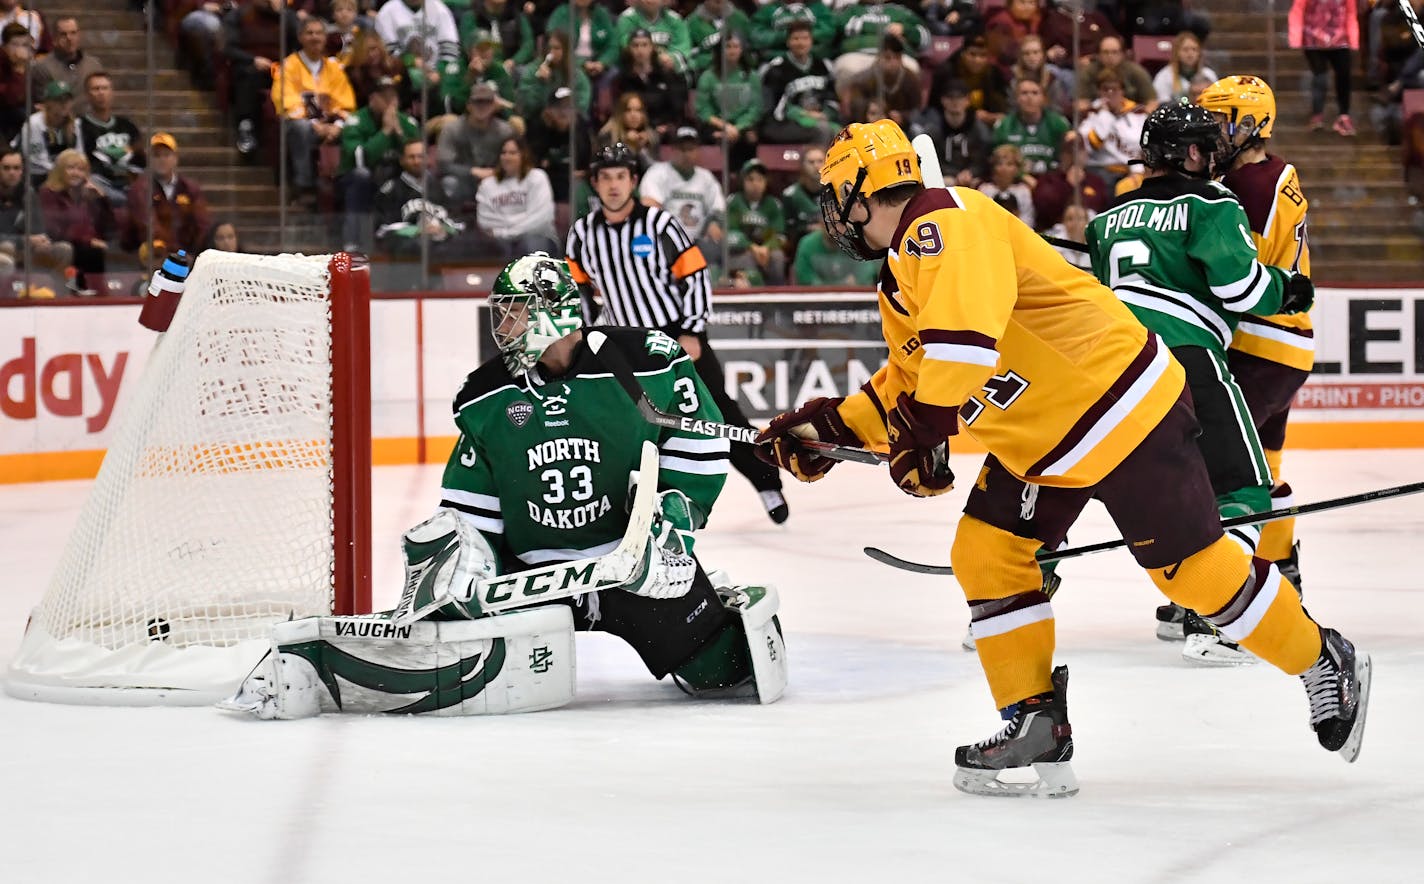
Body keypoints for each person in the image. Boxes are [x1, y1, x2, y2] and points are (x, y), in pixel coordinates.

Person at [754, 119, 1370, 796]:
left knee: (1194, 576)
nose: (835, 218)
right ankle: (1035, 722)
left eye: (838, 200)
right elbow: (910, 383)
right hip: (1045, 439)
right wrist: (826, 432)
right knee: (988, 552)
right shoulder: (906, 264)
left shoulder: (942, 223)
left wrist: (922, 433)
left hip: (1115, 405)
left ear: (863, 192)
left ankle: (1323, 659)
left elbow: (961, 350)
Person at [223, 253, 787, 719]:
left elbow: (698, 443)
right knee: (448, 654)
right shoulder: (486, 394)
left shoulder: (646, 360)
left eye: (516, 313)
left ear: (553, 313)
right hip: (534, 582)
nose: (503, 326)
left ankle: (717, 610)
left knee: (726, 673)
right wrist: (466, 558)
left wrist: (676, 519)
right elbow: (473, 502)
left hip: (631, 570)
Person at [1085, 100, 1313, 664]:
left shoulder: (1104, 219)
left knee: (1077, 477)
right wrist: (1287, 290)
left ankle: (1025, 582)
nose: (1213, 157)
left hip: (1114, 367)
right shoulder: (1213, 201)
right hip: (1188, 358)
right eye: (1205, 147)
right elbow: (1240, 290)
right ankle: (1219, 615)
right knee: (1240, 489)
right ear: (1189, 153)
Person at [568, 144, 789, 524]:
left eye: (621, 176)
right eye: (605, 177)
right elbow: (581, 290)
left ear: (633, 181)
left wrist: (692, 330)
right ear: (595, 184)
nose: (614, 185)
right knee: (630, 422)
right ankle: (633, 508)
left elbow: (696, 275)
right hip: (625, 342)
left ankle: (767, 481)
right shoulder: (582, 233)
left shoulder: (659, 224)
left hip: (675, 334)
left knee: (719, 413)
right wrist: (588, 337)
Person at [1198, 75, 1314, 597]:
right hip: (1284, 345)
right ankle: (1281, 573)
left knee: (1214, 462)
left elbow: (1237, 272)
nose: (1212, 133)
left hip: (1259, 346)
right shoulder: (1271, 176)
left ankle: (1226, 591)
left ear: (1250, 124)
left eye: (1220, 121)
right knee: (1263, 464)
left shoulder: (1249, 187)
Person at [271, 16, 356, 208]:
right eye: (309, 33)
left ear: (325, 38)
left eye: (319, 33)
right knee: (300, 128)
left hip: (330, 124)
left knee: (354, 127)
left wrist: (337, 125)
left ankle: (343, 188)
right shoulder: (288, 66)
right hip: (300, 124)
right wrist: (313, 122)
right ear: (300, 37)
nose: (315, 37)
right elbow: (286, 100)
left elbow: (345, 102)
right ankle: (304, 187)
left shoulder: (334, 68)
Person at [338, 76, 420, 253]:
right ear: (372, 99)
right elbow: (358, 158)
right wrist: (385, 133)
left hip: (395, 176)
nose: (390, 103)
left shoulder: (406, 122)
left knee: (420, 176)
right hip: (359, 178)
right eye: (384, 98)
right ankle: (354, 242)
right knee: (362, 176)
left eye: (393, 97)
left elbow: (417, 153)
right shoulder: (356, 121)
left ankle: (412, 236)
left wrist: (398, 133)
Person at [122, 133, 212, 269]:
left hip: (188, 257)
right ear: (149, 159)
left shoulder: (190, 188)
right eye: (156, 156)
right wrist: (177, 254)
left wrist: (196, 256)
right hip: (153, 258)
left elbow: (202, 224)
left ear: (175, 158)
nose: (162, 160)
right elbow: (149, 226)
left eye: (166, 155)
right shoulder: (140, 189)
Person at [639, 126, 726, 264]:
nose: (686, 154)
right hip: (667, 240)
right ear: (672, 150)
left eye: (691, 149)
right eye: (682, 149)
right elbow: (650, 206)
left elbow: (718, 207)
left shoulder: (706, 178)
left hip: (699, 242)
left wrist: (713, 223)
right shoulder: (657, 173)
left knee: (717, 246)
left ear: (698, 151)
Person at [374, 139, 465, 260]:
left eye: (420, 156)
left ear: (427, 159)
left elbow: (454, 220)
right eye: (411, 157)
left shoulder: (437, 187)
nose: (417, 161)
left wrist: (443, 229)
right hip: (408, 245)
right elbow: (384, 228)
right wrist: (417, 231)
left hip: (438, 240)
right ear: (402, 160)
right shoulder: (391, 189)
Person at [38, 148, 113, 293]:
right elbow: (55, 230)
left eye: (81, 169)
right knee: (91, 252)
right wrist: (88, 241)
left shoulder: (87, 195)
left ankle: (99, 294)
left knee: (104, 250)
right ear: (60, 170)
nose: (76, 173)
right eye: (71, 168)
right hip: (58, 244)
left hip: (87, 246)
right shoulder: (48, 193)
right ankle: (89, 292)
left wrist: (102, 199)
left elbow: (109, 228)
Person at [475, 136, 559, 259]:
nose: (507, 157)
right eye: (504, 153)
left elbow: (541, 219)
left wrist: (505, 231)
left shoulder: (537, 177)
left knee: (530, 246)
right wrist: (521, 220)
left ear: (524, 155)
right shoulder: (488, 184)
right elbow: (485, 220)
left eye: (513, 153)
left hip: (538, 237)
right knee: (493, 249)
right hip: (501, 241)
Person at [757, 19, 839, 146]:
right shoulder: (776, 69)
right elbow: (774, 109)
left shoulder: (823, 65)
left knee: (844, 134)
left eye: (805, 38)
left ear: (811, 41)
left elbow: (832, 98)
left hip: (819, 118)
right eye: (796, 39)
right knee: (822, 130)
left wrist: (825, 114)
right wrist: (804, 115)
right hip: (782, 123)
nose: (801, 43)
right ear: (788, 42)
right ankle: (818, 165)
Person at [436, 81, 516, 206]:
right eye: (477, 102)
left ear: (494, 106)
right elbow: (444, 165)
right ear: (469, 105)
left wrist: (496, 173)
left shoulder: (505, 131)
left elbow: (516, 160)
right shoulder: (452, 129)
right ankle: (453, 219)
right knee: (449, 183)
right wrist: (473, 171)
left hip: (497, 179)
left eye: (487, 102)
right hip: (465, 180)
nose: (482, 106)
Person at [693, 31, 761, 170]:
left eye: (736, 46)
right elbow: (703, 110)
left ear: (742, 49)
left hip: (743, 125)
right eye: (728, 46)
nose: (732, 50)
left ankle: (747, 175)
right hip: (717, 123)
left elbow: (755, 108)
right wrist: (725, 126)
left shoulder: (752, 76)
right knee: (717, 137)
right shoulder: (708, 76)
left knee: (750, 137)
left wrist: (737, 128)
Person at [1289, 0, 1358, 135]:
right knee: (1320, 77)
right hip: (1313, 39)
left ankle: (1344, 116)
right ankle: (1317, 115)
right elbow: (1298, 10)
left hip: (1340, 38)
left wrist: (1353, 39)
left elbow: (1350, 12)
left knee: (1344, 77)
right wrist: (1295, 37)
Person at [75, 72, 144, 208]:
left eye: (105, 88)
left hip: (129, 182)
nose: (101, 93)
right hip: (99, 183)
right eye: (96, 89)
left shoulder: (127, 125)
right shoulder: (79, 126)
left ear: (112, 92)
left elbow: (141, 161)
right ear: (87, 95)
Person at [0, 148, 72, 278]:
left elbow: (38, 229)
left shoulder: (29, 193)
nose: (12, 173)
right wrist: (24, 240)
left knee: (64, 249)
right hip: (6, 248)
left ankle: (56, 294)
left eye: (16, 168)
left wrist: (42, 240)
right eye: (6, 168)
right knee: (7, 247)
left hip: (25, 248)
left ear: (22, 171)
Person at [910, 77, 994, 187]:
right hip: (944, 178)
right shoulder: (933, 131)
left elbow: (983, 160)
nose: (955, 102)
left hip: (973, 178)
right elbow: (930, 160)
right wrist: (954, 175)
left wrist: (970, 173)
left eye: (960, 97)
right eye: (950, 97)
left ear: (968, 100)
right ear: (943, 100)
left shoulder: (980, 130)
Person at [1077, 69, 1148, 189]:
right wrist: (1105, 115)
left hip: (1135, 170)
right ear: (1099, 91)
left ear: (1122, 91)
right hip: (1101, 170)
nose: (1110, 93)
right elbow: (1092, 144)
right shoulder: (1091, 114)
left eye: (1114, 89)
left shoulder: (1139, 114)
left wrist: (1137, 170)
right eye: (1105, 89)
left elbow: (1147, 147)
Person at [614, 27, 688, 140]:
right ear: (629, 49)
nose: (640, 50)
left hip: (664, 130)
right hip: (633, 131)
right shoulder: (622, 79)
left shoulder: (667, 76)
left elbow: (677, 106)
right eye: (635, 45)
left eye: (644, 45)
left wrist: (666, 126)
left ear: (652, 48)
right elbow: (620, 110)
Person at [839, 34, 924, 129]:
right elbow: (853, 108)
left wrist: (903, 117)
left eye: (897, 58)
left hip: (900, 129)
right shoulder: (864, 79)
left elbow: (917, 110)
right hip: (867, 128)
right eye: (888, 58)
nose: (893, 63)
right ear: (879, 57)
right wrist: (870, 110)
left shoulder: (911, 79)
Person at [724, 158, 787, 286]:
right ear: (743, 182)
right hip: (741, 250)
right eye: (750, 179)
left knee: (778, 257)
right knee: (747, 259)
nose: (755, 184)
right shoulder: (734, 202)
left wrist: (766, 248)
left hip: (766, 251)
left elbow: (780, 235)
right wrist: (751, 247)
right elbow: (730, 232)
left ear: (765, 182)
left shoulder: (773, 204)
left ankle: (777, 295)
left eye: (760, 179)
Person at [993, 78, 1072, 176]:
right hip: (1016, 182)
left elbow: (1068, 160)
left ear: (1044, 98)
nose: (1029, 97)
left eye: (1035, 93)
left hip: (1053, 181)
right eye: (1024, 93)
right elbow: (998, 161)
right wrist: (1023, 177)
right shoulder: (1004, 125)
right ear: (1016, 98)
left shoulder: (1059, 123)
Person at [30, 15, 103, 117]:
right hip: (57, 123)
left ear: (79, 35)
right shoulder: (42, 67)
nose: (69, 38)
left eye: (73, 33)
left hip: (88, 124)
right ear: (54, 38)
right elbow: (43, 104)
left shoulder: (93, 66)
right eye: (63, 34)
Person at [514, 29, 591, 122]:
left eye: (557, 48)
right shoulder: (533, 70)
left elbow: (582, 101)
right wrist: (541, 83)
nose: (552, 52)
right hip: (541, 119)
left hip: (567, 120)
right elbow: (527, 105)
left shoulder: (575, 72)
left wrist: (565, 116)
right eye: (549, 48)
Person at [15, 80, 78, 187]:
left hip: (63, 173)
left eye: (67, 100)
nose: (64, 104)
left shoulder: (75, 123)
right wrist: (65, 173)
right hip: (35, 174)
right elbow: (36, 159)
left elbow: (78, 154)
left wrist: (75, 171)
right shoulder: (34, 123)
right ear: (48, 103)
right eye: (59, 100)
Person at [1074, 35, 1156, 113]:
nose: (1110, 56)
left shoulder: (1136, 72)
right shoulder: (1089, 72)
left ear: (1122, 54)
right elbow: (1081, 103)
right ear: (1098, 55)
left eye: (1114, 52)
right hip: (1098, 116)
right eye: (1105, 52)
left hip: (1131, 116)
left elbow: (1152, 102)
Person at [792, 217, 879, 285]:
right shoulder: (807, 244)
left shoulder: (857, 242)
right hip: (817, 303)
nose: (833, 228)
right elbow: (806, 280)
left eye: (838, 222)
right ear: (821, 222)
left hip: (852, 301)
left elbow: (866, 274)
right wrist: (843, 284)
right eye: (829, 223)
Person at [780, 144, 827, 252]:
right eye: (811, 162)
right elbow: (787, 231)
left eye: (820, 161)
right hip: (801, 248)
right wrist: (807, 229)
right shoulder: (790, 195)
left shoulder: (836, 192)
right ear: (802, 166)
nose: (816, 166)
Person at [978, 143, 1035, 229]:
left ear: (1017, 169)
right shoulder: (985, 190)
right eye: (999, 164)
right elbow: (980, 217)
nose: (1004, 168)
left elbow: (1028, 219)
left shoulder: (1023, 191)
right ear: (993, 168)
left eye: (1009, 164)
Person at [1153, 31, 1216, 104]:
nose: (1190, 54)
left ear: (1199, 53)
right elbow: (1162, 102)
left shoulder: (1209, 74)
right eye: (1185, 50)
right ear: (1176, 52)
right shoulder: (1165, 76)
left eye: (1194, 49)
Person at [1044, 202, 1092, 269]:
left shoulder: (1095, 246)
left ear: (1087, 222)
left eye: (1079, 219)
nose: (1075, 223)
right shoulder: (1053, 246)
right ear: (1064, 222)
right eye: (1070, 219)